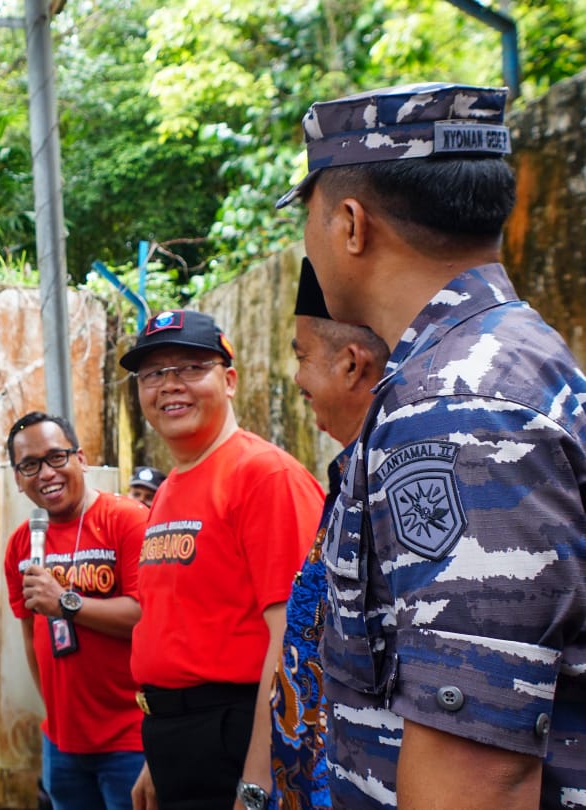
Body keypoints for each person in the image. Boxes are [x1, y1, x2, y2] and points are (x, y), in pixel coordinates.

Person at [277, 82, 586, 807]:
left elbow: (478, 777)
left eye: (310, 220)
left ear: (350, 225)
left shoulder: (455, 411)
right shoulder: (496, 358)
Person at [119, 310, 325, 810]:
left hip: (237, 739)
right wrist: (157, 755)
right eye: (153, 373)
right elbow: (175, 629)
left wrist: (260, 781)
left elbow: (296, 643)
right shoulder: (169, 489)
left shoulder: (264, 476)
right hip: (175, 737)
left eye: (191, 368)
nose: (170, 385)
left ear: (228, 380)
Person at [263, 259, 388, 809]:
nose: (296, 379)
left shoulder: (395, 483)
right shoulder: (348, 478)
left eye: (301, 356)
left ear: (352, 365)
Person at [3, 412, 147, 810]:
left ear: (80, 458)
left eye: (56, 457)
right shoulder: (20, 545)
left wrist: (66, 603)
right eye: (30, 465)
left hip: (130, 740)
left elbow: (146, 617)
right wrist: (57, 712)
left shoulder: (127, 521)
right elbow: (31, 637)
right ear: (18, 478)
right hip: (61, 744)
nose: (45, 473)